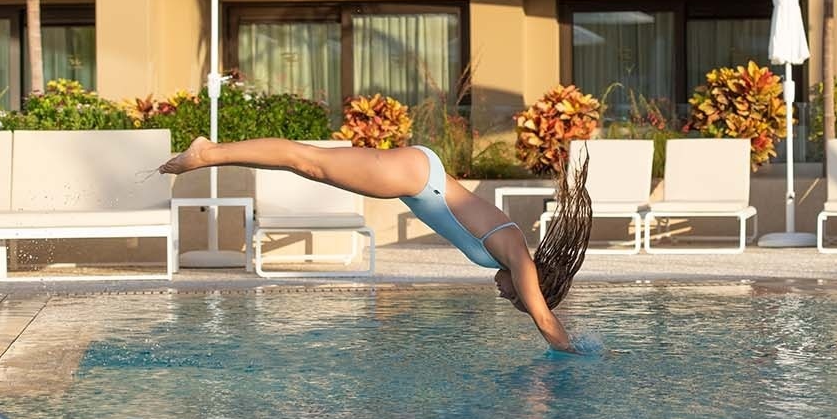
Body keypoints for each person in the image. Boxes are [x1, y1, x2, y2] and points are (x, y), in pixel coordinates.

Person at [159, 137, 592, 351]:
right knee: (307, 162)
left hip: (419, 178)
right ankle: (207, 153)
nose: (504, 296)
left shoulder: (512, 251)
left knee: (310, 164)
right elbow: (544, 319)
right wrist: (578, 356)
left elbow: (538, 311)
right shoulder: (519, 257)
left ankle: (210, 152)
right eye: (513, 298)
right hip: (420, 180)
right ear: (531, 285)